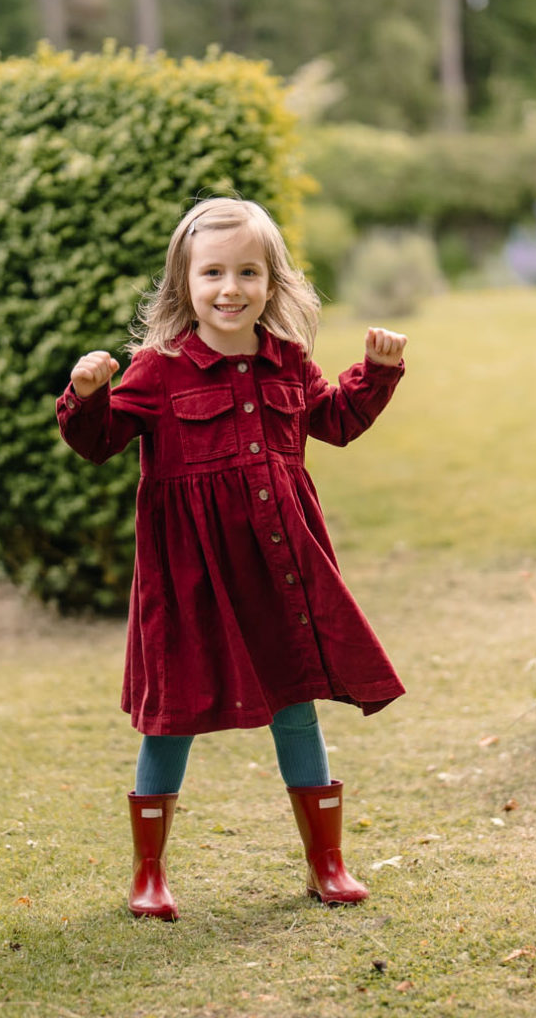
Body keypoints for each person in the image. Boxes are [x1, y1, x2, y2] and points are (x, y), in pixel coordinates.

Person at [56, 196, 410, 920]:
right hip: (189, 579)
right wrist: (86, 396)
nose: (230, 288)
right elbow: (99, 442)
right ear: (184, 285)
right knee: (171, 715)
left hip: (278, 572)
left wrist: (375, 374)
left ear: (272, 284)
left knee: (296, 702)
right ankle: (148, 875)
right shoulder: (157, 371)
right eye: (213, 271)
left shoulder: (286, 361)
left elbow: (335, 421)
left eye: (248, 271)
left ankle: (327, 863)